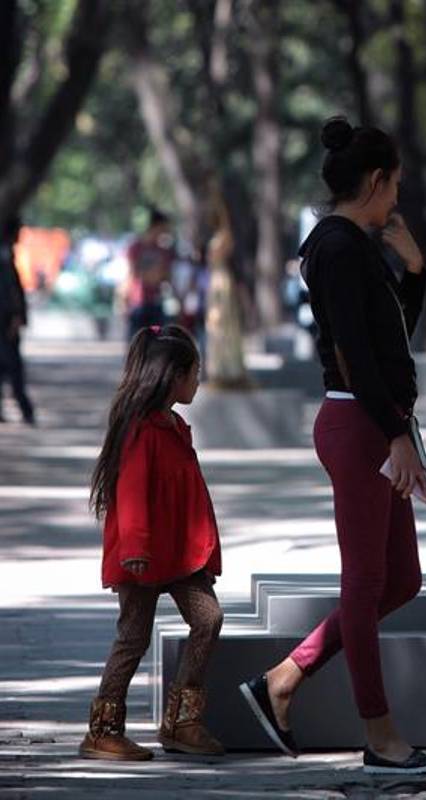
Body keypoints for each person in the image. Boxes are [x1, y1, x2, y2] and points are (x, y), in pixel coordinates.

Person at [238, 116, 426, 776]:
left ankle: (285, 678)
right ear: (376, 181)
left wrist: (414, 270)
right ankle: (379, 734)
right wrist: (394, 435)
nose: (398, 200)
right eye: (396, 186)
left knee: (400, 579)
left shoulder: (356, 244)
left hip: (375, 424)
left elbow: (390, 338)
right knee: (365, 583)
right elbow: (355, 355)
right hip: (359, 426)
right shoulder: (336, 247)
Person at [81, 325, 224, 760]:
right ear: (173, 377)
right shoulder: (142, 431)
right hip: (143, 557)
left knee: (209, 618)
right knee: (133, 637)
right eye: (195, 372)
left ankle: (182, 721)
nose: (198, 380)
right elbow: (133, 493)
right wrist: (136, 549)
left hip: (180, 555)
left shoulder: (174, 425)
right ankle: (104, 729)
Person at [0, 216, 34, 425]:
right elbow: (8, 291)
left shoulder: (8, 254)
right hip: (5, 321)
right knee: (13, 367)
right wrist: (14, 315)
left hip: (7, 320)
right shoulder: (4, 256)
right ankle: (25, 409)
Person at [124, 209, 174, 341]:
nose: (165, 232)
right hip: (138, 303)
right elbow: (133, 274)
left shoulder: (163, 251)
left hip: (156, 303)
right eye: (164, 228)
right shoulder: (136, 247)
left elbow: (165, 276)